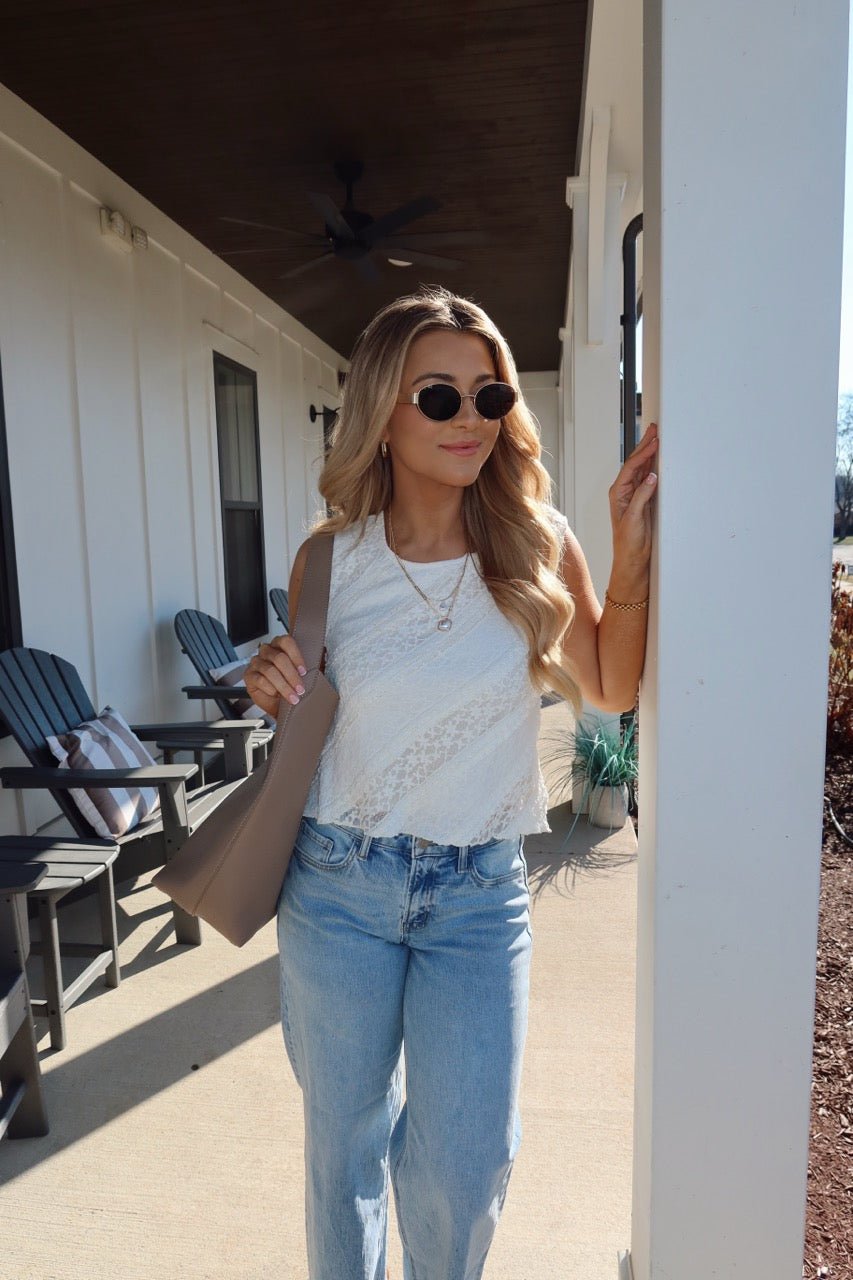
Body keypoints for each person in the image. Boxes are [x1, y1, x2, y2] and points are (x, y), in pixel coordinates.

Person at [243, 285, 657, 1280]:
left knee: (467, 1165)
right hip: (337, 886)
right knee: (340, 1154)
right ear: (384, 412)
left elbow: (606, 684)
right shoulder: (324, 560)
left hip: (477, 895)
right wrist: (272, 683)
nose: (470, 418)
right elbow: (307, 705)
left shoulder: (535, 538)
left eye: (489, 395)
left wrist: (629, 548)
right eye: (439, 397)